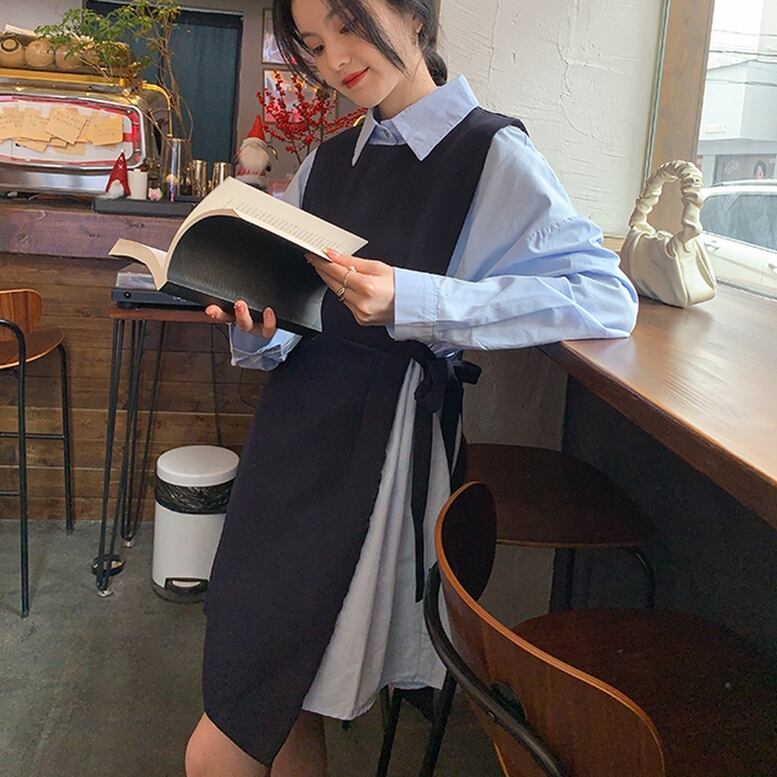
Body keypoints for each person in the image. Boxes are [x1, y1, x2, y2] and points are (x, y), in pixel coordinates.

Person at [185, 0, 639, 775]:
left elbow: (603, 297)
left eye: (348, 25)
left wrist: (417, 300)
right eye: (314, 44)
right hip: (290, 443)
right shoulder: (329, 159)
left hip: (371, 453)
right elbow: (298, 311)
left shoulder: (490, 152)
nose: (334, 59)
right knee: (273, 697)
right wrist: (258, 325)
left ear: (413, 15)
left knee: (243, 711)